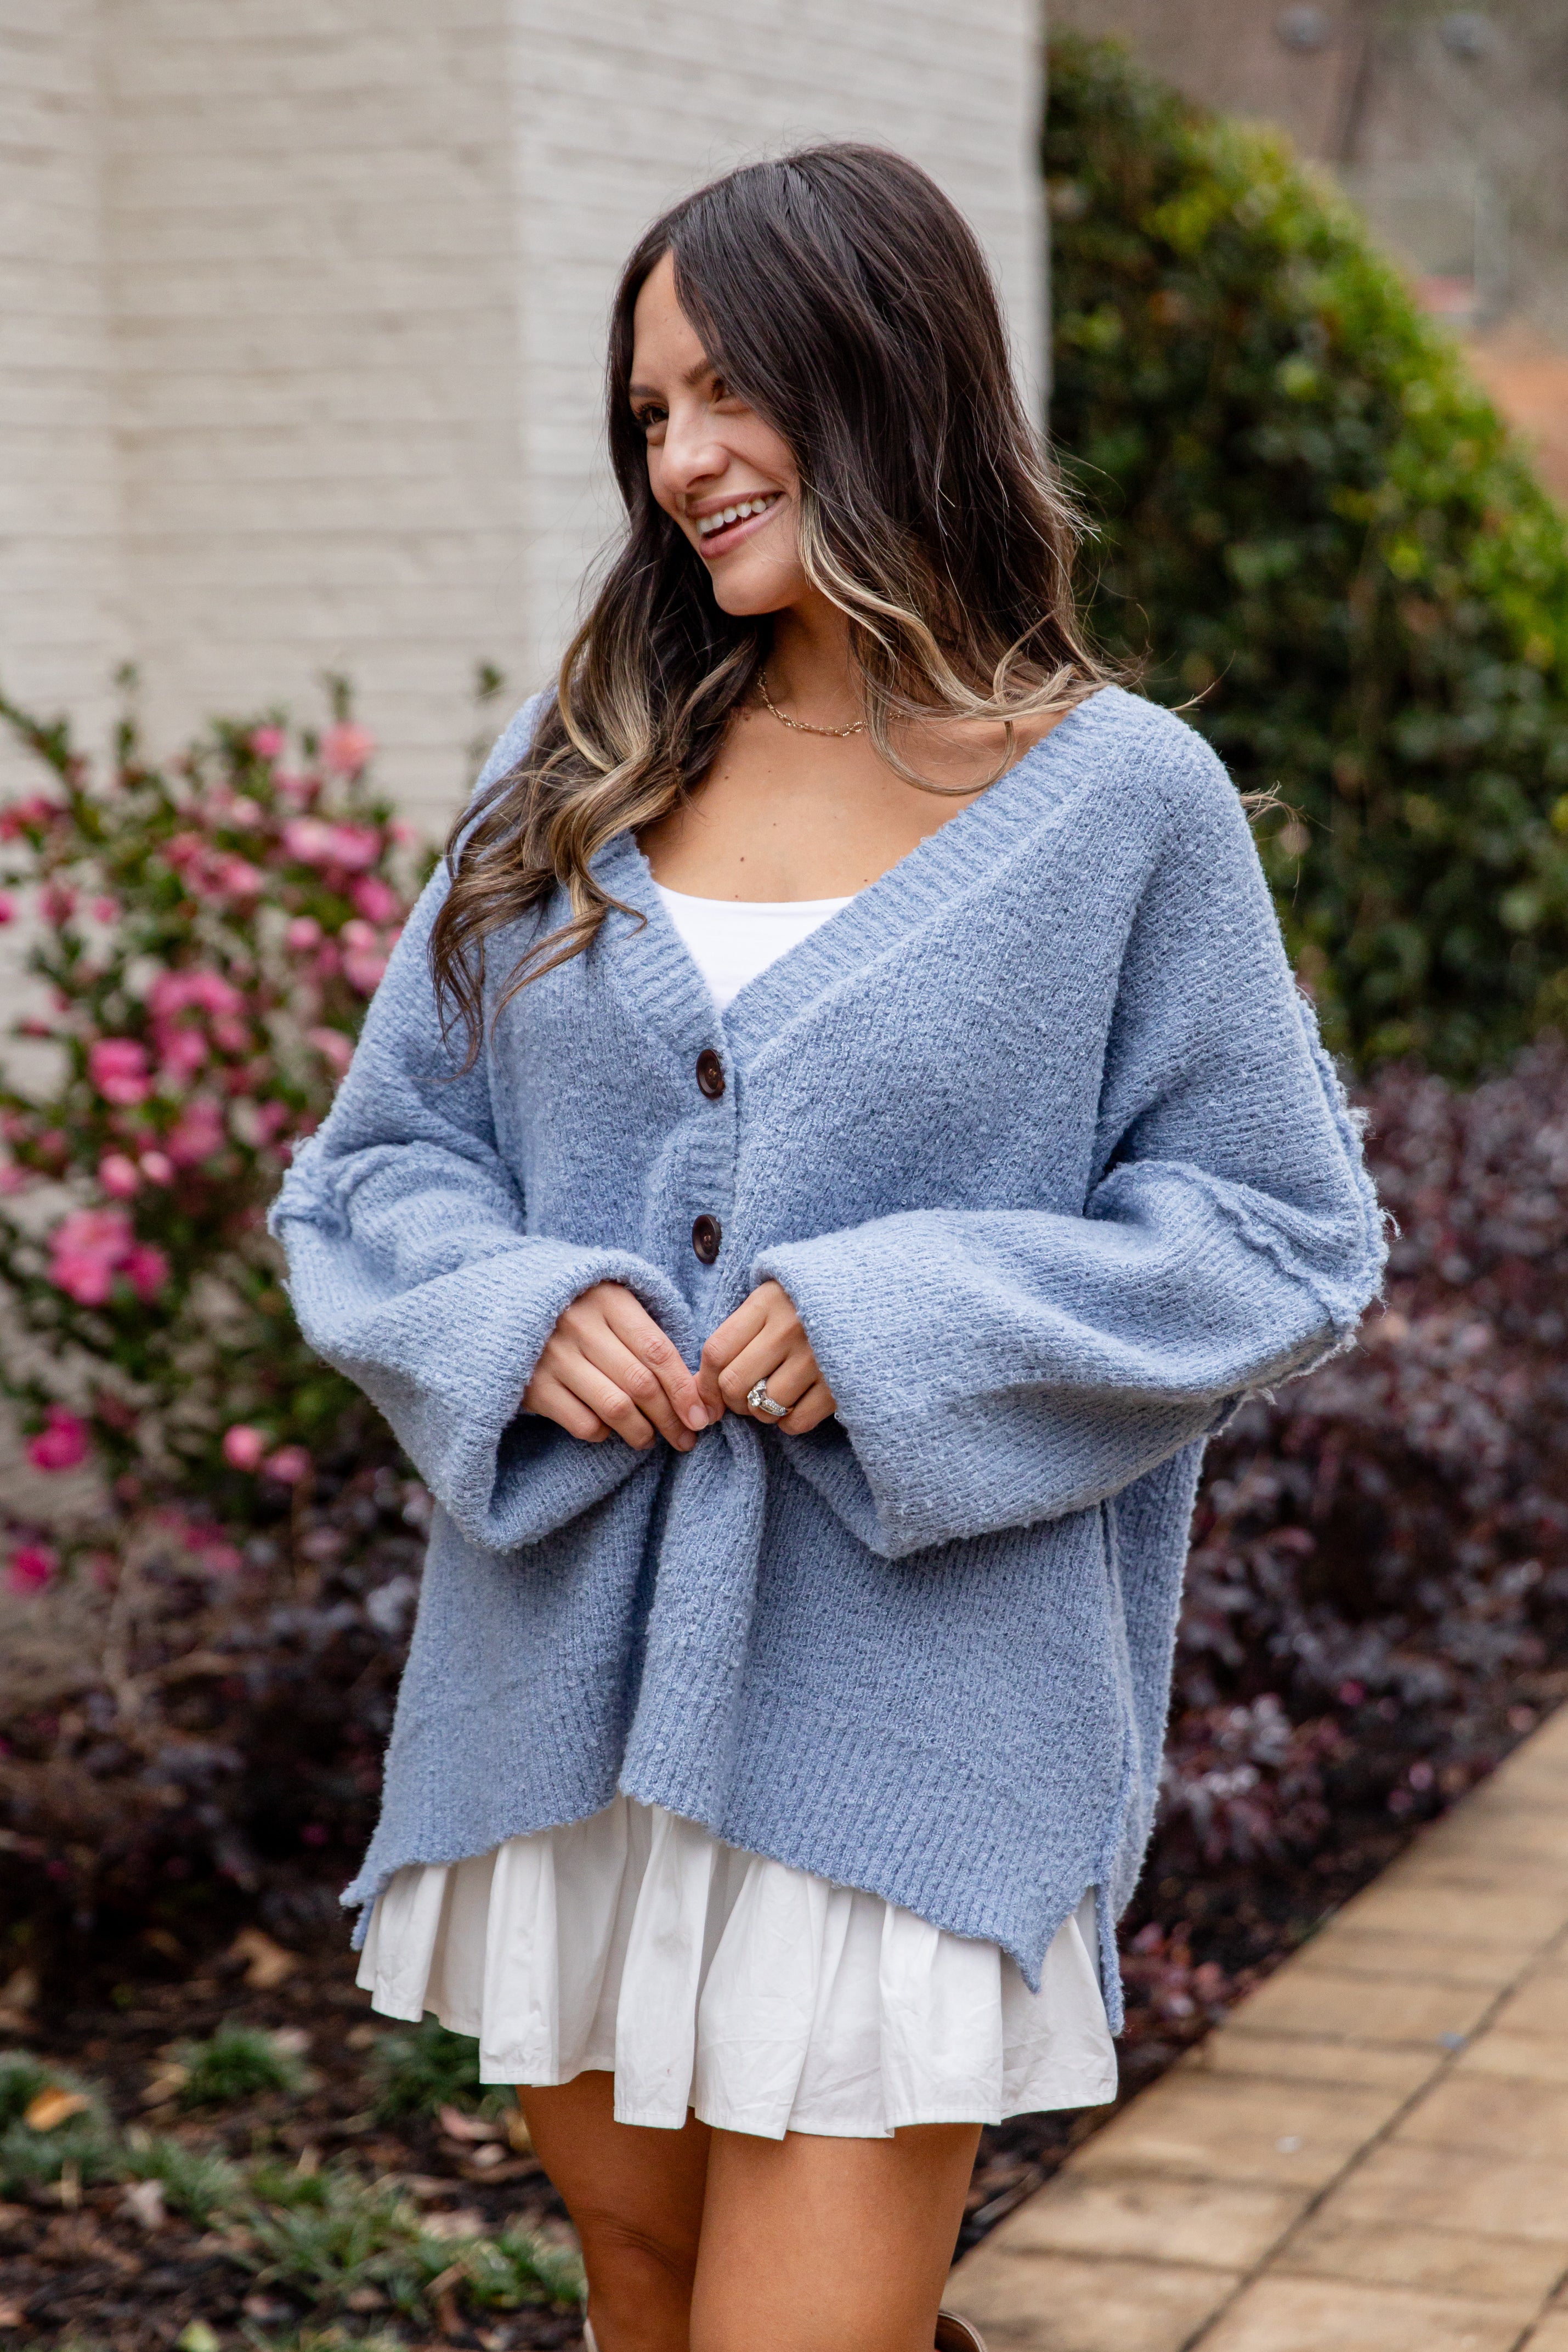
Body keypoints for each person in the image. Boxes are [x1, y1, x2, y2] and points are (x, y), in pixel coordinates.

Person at [272, 144, 1384, 2352]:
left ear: (875, 367)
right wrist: (521, 1313)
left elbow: (1279, 1229)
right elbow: (378, 1164)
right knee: (647, 2292)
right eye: (647, 415)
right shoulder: (577, 762)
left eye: (717, 393)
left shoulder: (1119, 801)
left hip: (909, 1733)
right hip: (566, 1696)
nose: (677, 458)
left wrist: (897, 1321)